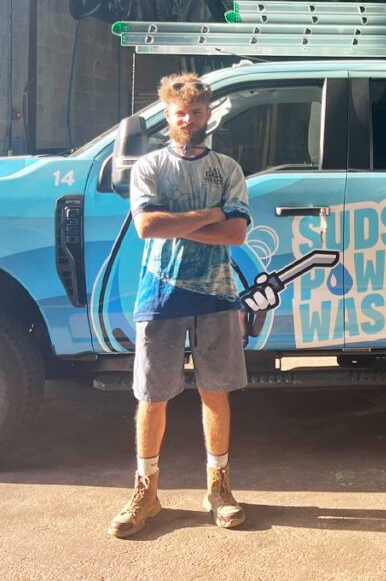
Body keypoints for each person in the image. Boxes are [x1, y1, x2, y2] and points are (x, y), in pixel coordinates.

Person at [109, 73, 251, 538]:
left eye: (194, 111)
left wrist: (180, 222)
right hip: (159, 292)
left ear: (207, 114)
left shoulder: (228, 168)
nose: (186, 118)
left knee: (216, 391)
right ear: (167, 117)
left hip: (217, 294)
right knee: (151, 397)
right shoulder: (149, 166)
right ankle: (146, 492)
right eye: (178, 112)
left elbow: (237, 234)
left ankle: (219, 488)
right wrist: (211, 214)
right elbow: (147, 226)